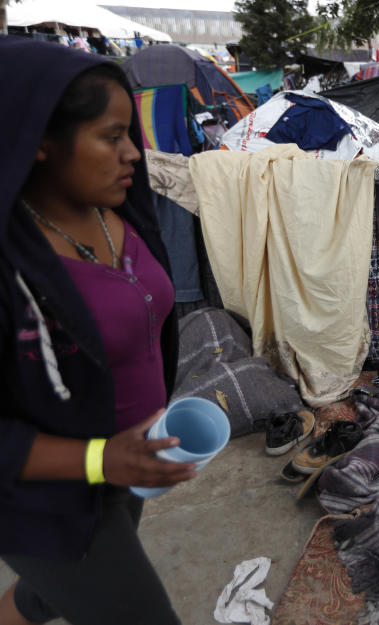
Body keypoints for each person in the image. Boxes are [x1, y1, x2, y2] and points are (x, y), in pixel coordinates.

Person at [0, 37, 192, 625]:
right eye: (112, 137)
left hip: (125, 467)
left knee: (54, 593)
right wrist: (99, 461)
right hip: (48, 495)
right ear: (38, 141)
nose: (135, 153)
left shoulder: (121, 209)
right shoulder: (11, 266)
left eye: (129, 132)